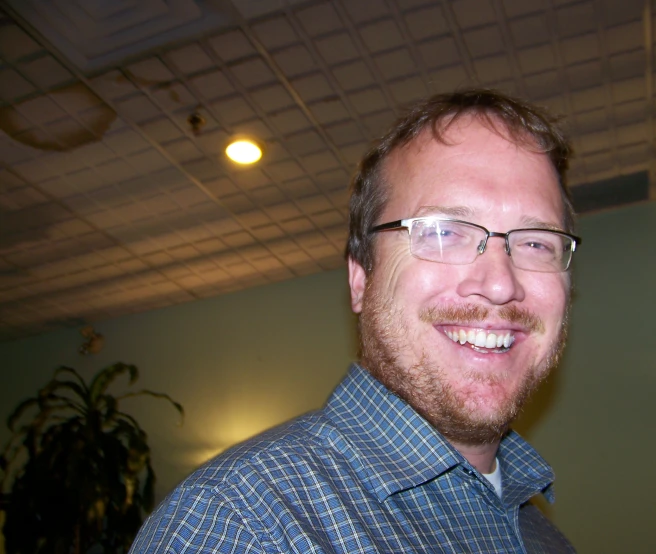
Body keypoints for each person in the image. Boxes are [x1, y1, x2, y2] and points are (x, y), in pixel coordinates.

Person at [130, 89, 581, 553]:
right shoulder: (242, 524)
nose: (501, 283)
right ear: (361, 278)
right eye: (444, 232)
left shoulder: (538, 532)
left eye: (536, 242)